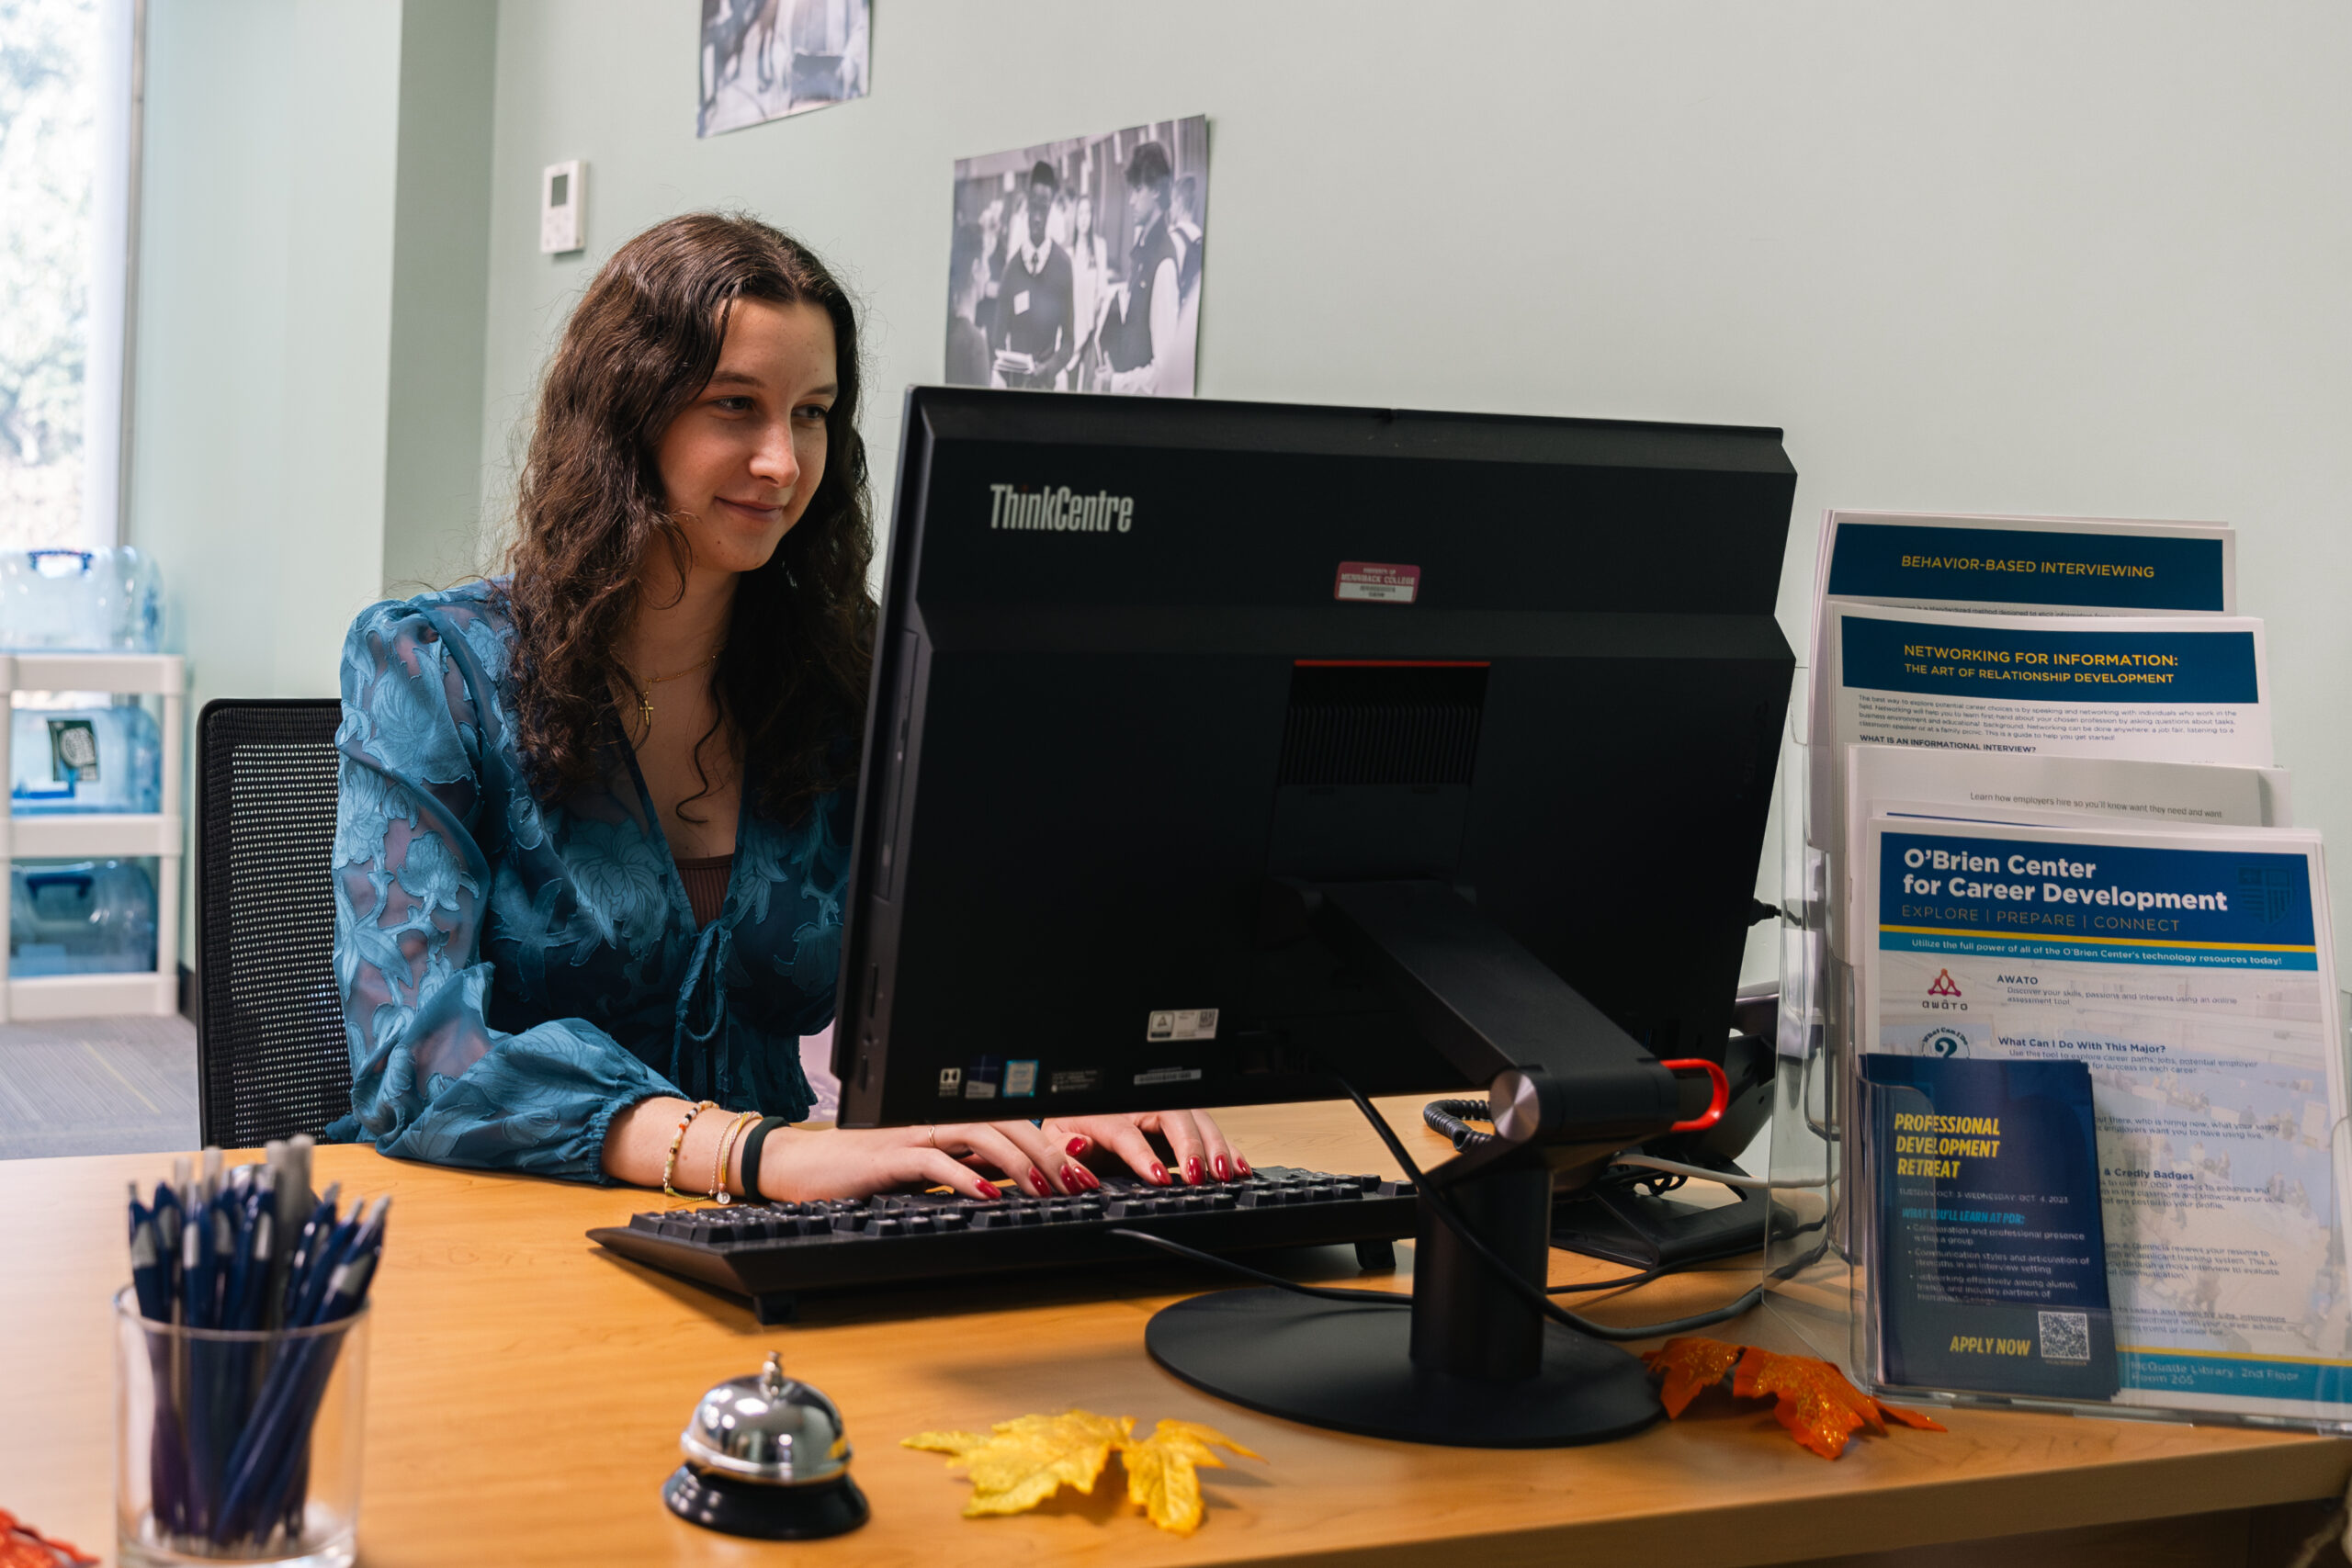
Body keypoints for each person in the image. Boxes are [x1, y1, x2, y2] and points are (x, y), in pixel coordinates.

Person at [329, 213, 1247, 1203]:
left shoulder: (846, 668)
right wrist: (754, 1153)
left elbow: (974, 957)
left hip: (787, 1215)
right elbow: (414, 1060)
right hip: (512, 1222)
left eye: (811, 412)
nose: (783, 461)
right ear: (627, 415)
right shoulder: (431, 664)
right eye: (736, 406)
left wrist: (1069, 1083)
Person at [1102, 141, 1181, 397]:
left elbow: (1164, 369)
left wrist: (1115, 383)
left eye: (1138, 190)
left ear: (1157, 189)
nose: (1131, 201)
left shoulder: (1163, 263)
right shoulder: (1142, 251)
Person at [989, 161, 1075, 391]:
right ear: (1026, 207)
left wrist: (1048, 369)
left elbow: (1068, 342)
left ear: (1051, 210)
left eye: (1043, 209)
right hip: (1016, 387)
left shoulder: (1063, 266)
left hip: (1048, 385)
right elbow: (996, 340)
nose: (1037, 217)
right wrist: (1012, 374)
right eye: (1033, 208)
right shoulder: (1011, 271)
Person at [1065, 190, 1110, 392]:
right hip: (1072, 324)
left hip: (1092, 325)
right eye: (1080, 214)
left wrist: (1097, 305)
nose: (1084, 219)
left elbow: (1103, 286)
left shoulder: (1100, 247)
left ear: (1092, 217)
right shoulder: (1069, 252)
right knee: (1071, 379)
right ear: (1075, 218)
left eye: (1087, 214)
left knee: (1088, 385)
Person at [943, 220, 989, 387]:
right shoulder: (975, 343)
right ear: (976, 269)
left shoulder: (946, 330)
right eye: (986, 263)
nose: (989, 274)